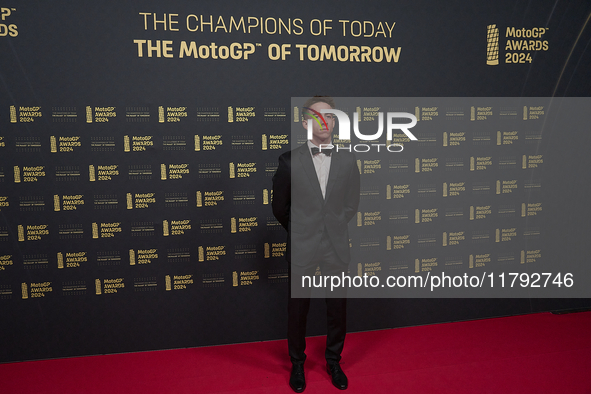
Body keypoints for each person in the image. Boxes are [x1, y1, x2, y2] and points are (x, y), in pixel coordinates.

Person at [272, 96, 360, 392]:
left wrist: (330, 227)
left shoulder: (348, 159)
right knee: (298, 311)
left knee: (337, 310)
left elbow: (351, 205)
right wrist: (301, 230)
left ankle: (333, 361)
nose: (325, 122)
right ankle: (297, 364)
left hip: (335, 246)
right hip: (302, 246)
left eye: (330, 116)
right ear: (304, 122)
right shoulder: (288, 161)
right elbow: (279, 208)